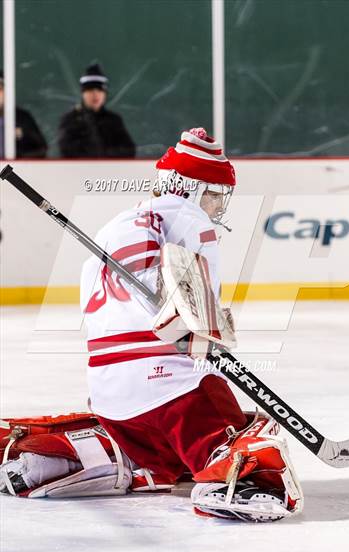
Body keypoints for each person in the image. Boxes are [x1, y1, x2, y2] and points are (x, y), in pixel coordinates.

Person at [0, 128, 303, 522]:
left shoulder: (117, 225)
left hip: (112, 401)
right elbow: (196, 325)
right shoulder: (192, 221)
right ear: (190, 187)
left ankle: (68, 458)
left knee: (158, 454)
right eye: (214, 194)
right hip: (174, 391)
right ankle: (242, 483)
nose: (217, 205)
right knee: (246, 429)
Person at [58, 63, 135, 158]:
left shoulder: (114, 120)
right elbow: (66, 150)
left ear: (105, 94)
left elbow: (129, 150)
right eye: (90, 90)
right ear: (83, 94)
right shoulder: (71, 119)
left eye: (99, 90)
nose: (95, 94)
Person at [0, 70, 48, 158]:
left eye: (0, 89)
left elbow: (40, 150)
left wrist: (22, 139)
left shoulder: (22, 118)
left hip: (17, 170)